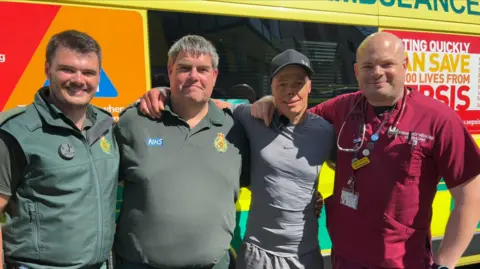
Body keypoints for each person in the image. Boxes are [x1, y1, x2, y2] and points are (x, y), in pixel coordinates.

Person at [250, 32, 480, 269]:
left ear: (405, 65)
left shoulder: (438, 119)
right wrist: (271, 100)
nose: (377, 72)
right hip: (345, 258)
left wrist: (446, 263)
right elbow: (296, 116)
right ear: (357, 71)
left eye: (386, 64)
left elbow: (470, 196)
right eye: (368, 66)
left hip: (402, 261)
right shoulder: (341, 108)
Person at [139, 49, 335, 269]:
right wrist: (164, 92)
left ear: (309, 86)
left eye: (298, 83)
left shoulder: (326, 131)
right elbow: (204, 103)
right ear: (271, 86)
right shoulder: (253, 117)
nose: (290, 91)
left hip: (304, 255)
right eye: (282, 84)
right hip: (258, 255)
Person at [113, 35, 250, 269]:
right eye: (184, 68)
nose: (194, 76)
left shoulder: (237, 129)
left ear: (214, 76)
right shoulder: (134, 122)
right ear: (170, 71)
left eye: (203, 69)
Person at [0, 30, 119, 269]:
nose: (79, 80)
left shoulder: (106, 126)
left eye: (88, 73)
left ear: (98, 78)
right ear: (47, 70)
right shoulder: (17, 131)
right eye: (68, 69)